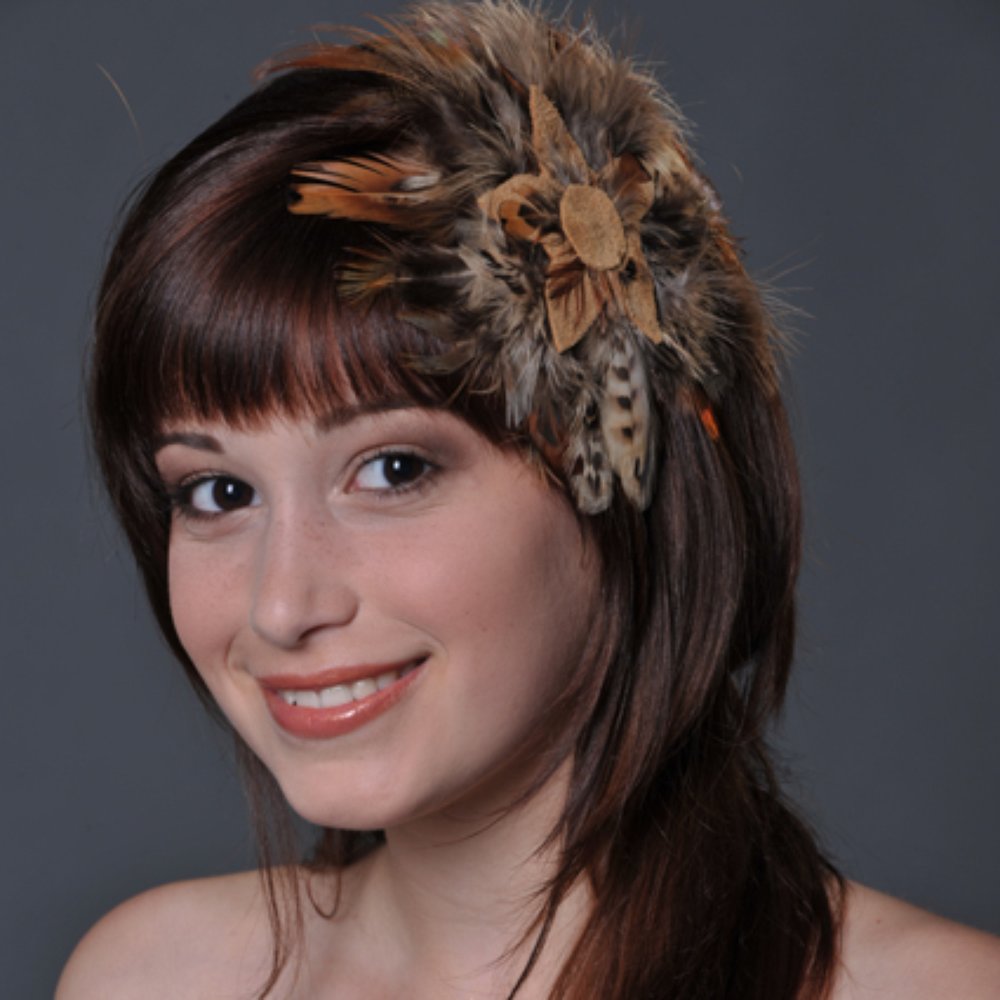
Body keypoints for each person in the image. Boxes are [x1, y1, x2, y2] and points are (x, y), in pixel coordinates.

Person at [57, 2, 1000, 997]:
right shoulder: (149, 979)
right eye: (217, 491)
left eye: (393, 470)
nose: (281, 605)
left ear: (620, 478)